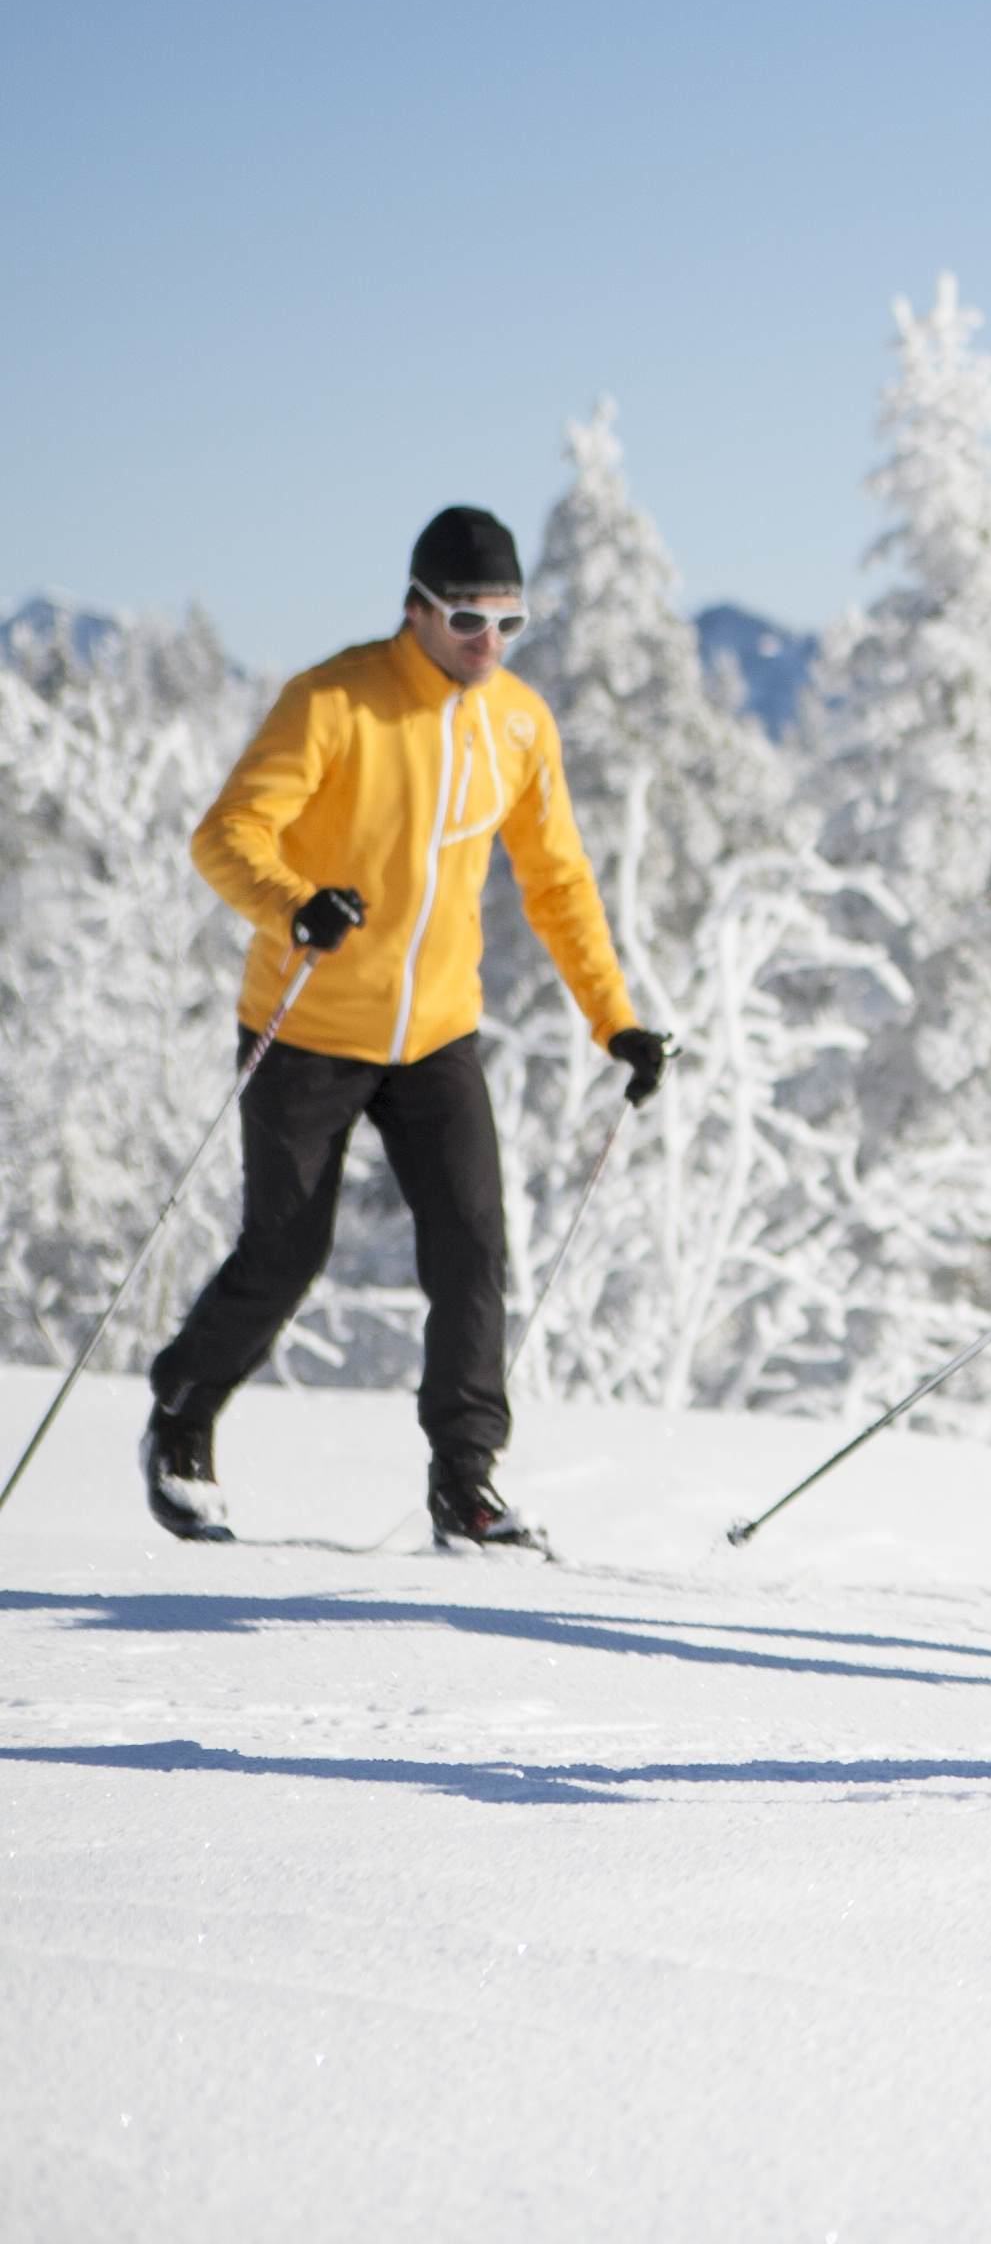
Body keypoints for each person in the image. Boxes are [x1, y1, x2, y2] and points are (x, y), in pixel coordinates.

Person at [146, 505, 679, 1556]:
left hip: (434, 1034)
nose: (491, 644)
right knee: (287, 1250)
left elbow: (558, 880)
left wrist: (615, 1020)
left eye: (511, 623)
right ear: (419, 609)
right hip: (309, 1022)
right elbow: (226, 833)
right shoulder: (337, 700)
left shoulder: (519, 722)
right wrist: (294, 904)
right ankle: (182, 1415)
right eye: (472, 620)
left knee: (473, 1245)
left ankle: (466, 1486)